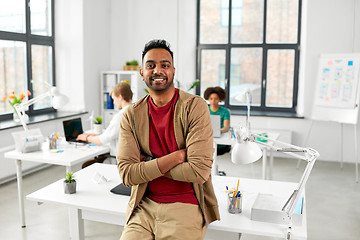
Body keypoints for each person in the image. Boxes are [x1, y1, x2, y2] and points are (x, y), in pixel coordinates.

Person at [117, 39, 220, 240]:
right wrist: (175, 157)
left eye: (164, 65)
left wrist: (147, 164)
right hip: (143, 205)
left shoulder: (194, 107)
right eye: (150, 65)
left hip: (185, 205)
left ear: (173, 71)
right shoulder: (131, 114)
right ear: (141, 72)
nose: (158, 70)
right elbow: (127, 174)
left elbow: (198, 171)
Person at [76, 82, 133, 165]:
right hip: (134, 159)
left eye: (114, 99)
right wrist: (99, 135)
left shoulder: (121, 116)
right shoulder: (136, 111)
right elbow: (117, 133)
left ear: (120, 97)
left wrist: (86, 137)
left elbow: (101, 140)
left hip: (119, 161)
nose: (113, 102)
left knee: (87, 165)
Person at [204, 86, 231, 155]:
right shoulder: (204, 110)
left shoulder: (225, 111)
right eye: (211, 99)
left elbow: (226, 127)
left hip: (220, 139)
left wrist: (218, 131)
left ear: (220, 99)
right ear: (208, 99)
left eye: (216, 99)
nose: (213, 101)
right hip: (207, 138)